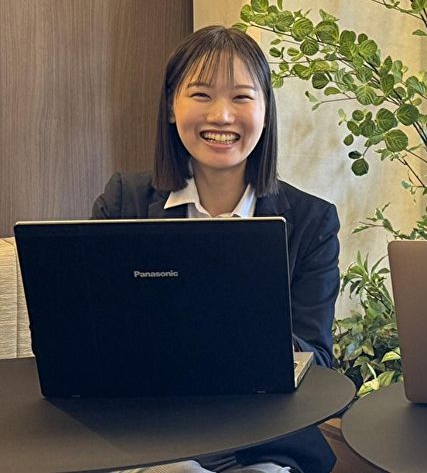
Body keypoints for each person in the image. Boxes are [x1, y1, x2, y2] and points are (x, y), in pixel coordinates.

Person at [93, 26, 340, 473]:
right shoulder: (124, 202)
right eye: (201, 95)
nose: (222, 116)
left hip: (264, 438)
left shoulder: (312, 221)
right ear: (172, 107)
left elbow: (318, 358)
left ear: (265, 111)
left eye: (242, 97)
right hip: (151, 436)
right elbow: (91, 334)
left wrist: (246, 330)